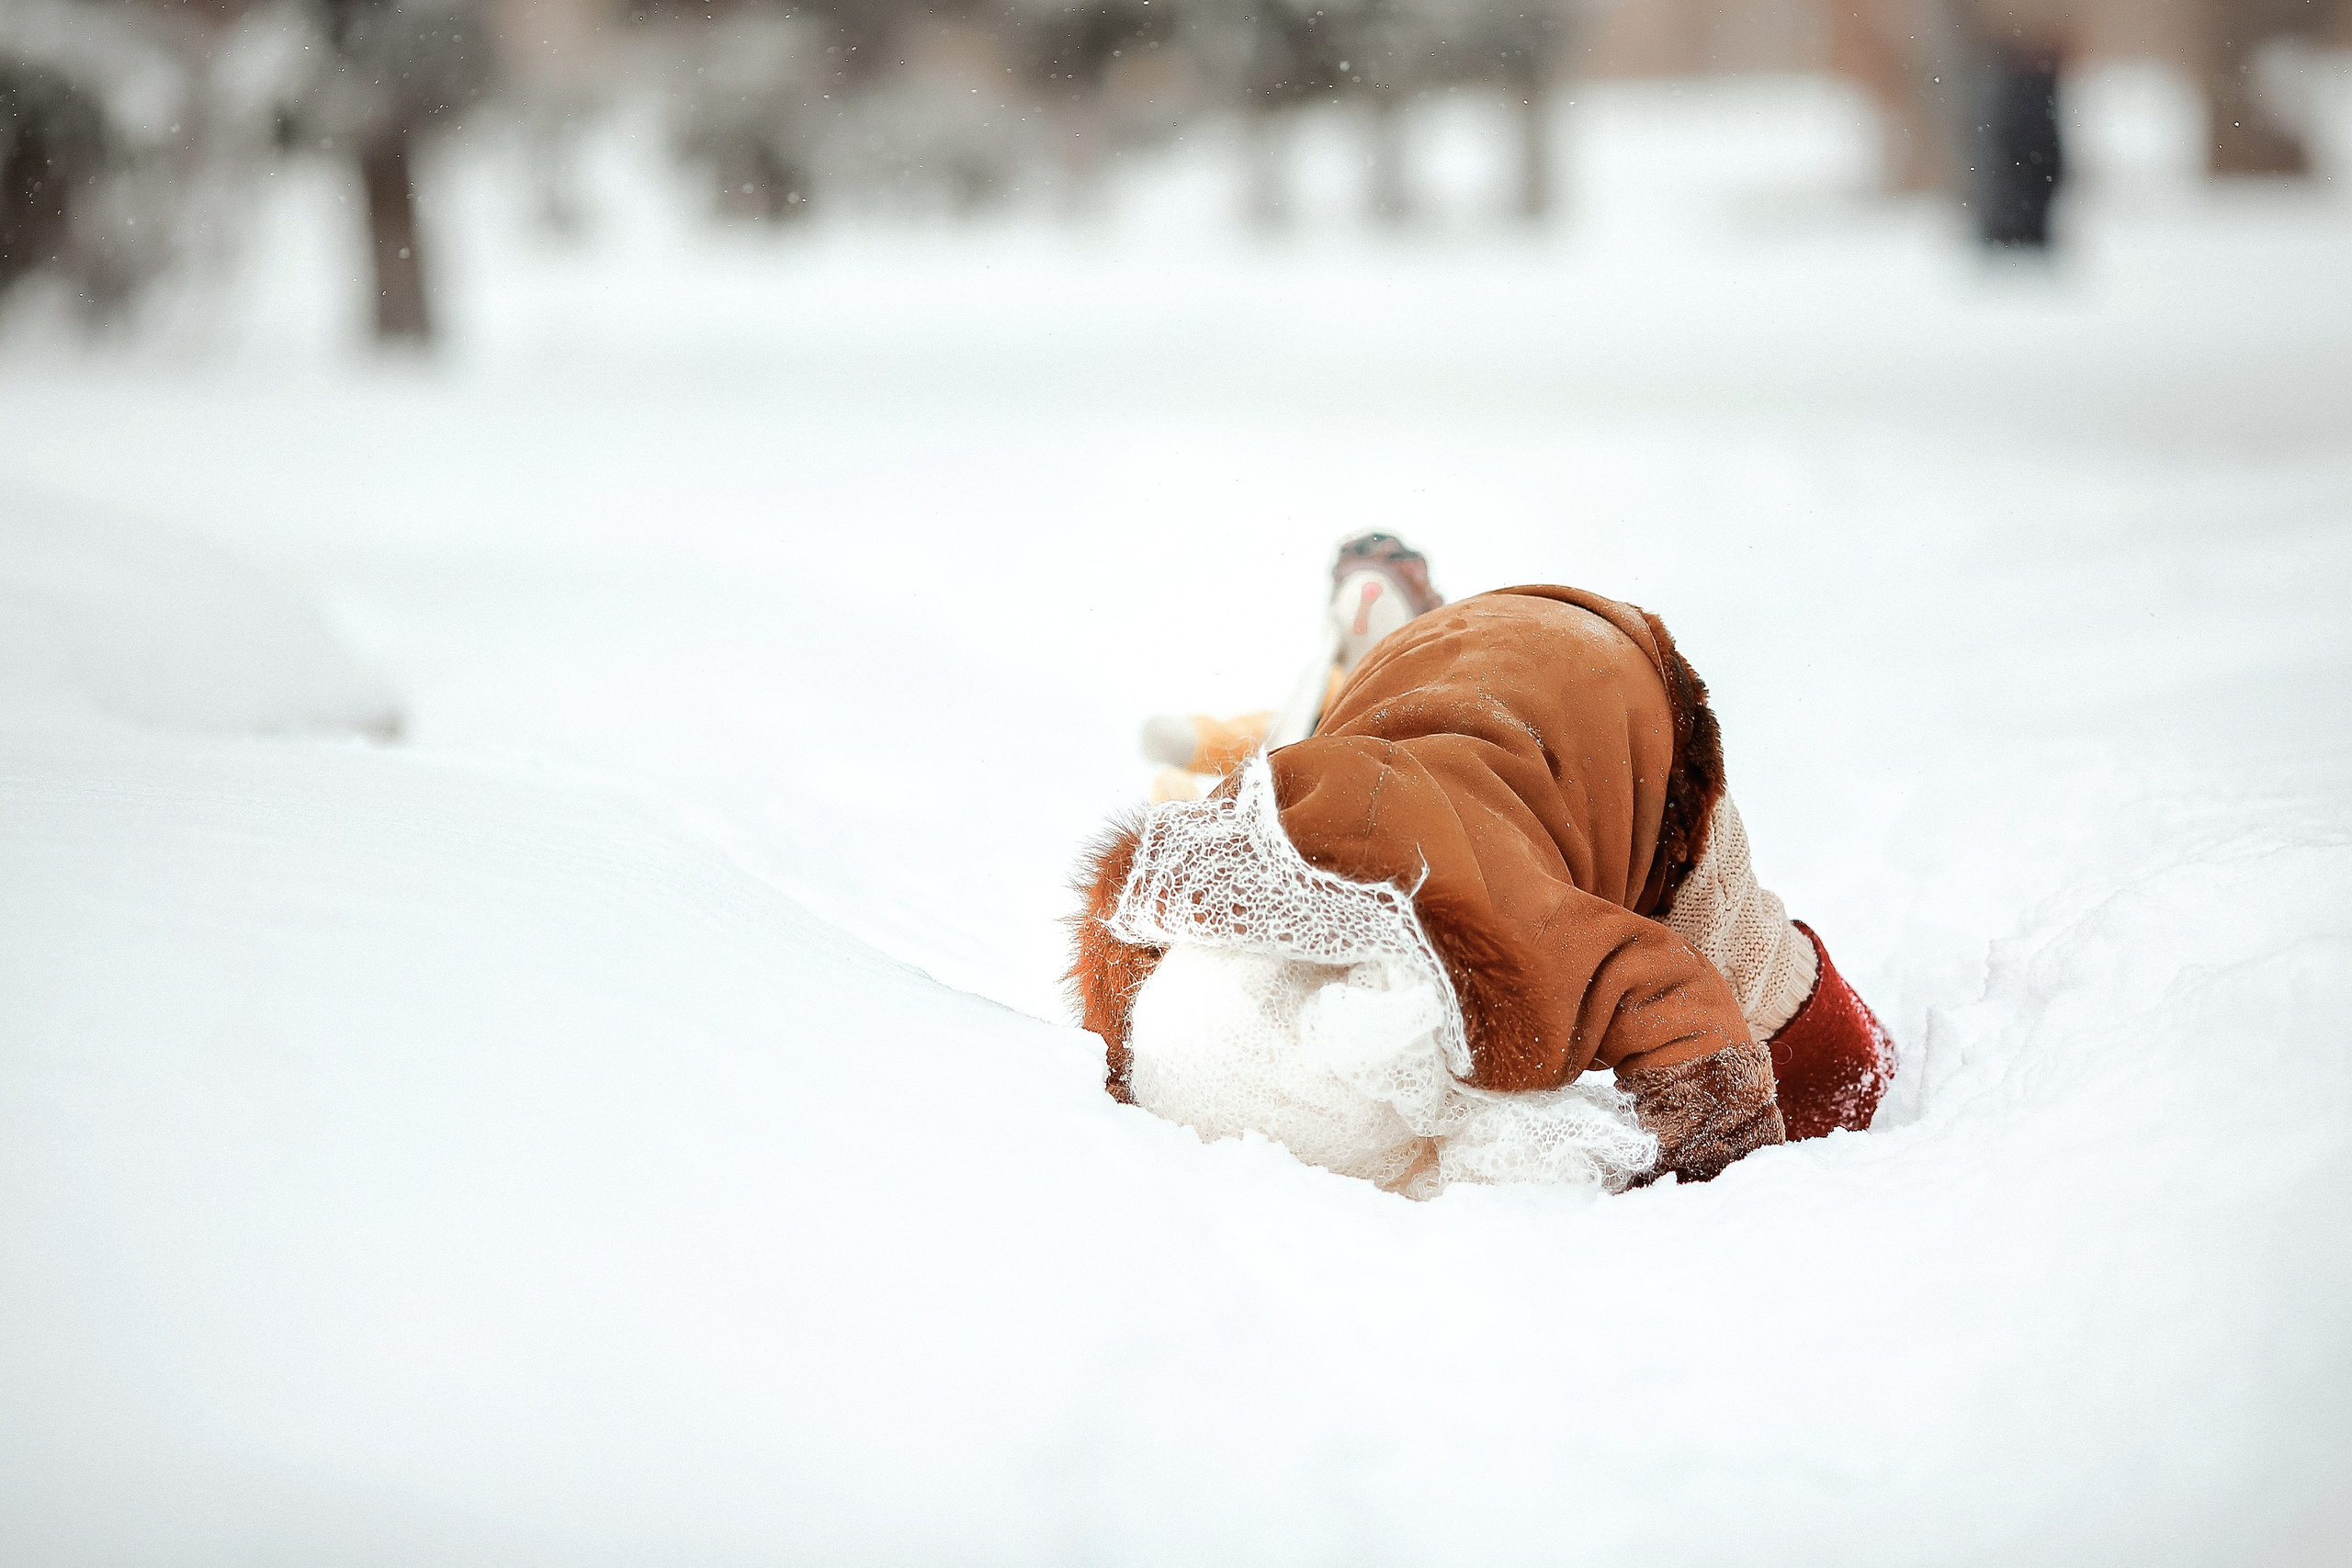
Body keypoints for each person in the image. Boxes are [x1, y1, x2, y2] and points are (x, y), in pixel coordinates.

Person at [1069, 582, 1892, 1197]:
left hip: (1625, 704)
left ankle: (1857, 1055)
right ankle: (1387, 633)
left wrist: (1713, 1168)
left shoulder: (1516, 943)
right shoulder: (1205, 869)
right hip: (1421, 662)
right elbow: (1123, 931)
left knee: (1761, 989)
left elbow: (1669, 991)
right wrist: (1119, 1062)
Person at [1138, 533, 1445, 803]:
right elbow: (1249, 739)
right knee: (1175, 789)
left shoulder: (1422, 719)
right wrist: (1193, 741)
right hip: (1297, 827)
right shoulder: (1306, 711)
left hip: (1376, 823)